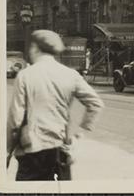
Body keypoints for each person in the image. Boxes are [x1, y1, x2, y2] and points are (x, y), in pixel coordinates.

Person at [7, 30, 104, 181]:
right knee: (60, 189)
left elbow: (15, 119)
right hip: (61, 148)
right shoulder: (70, 74)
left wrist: (8, 149)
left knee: (31, 189)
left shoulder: (26, 75)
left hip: (33, 149)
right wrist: (79, 132)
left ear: (36, 48)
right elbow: (96, 103)